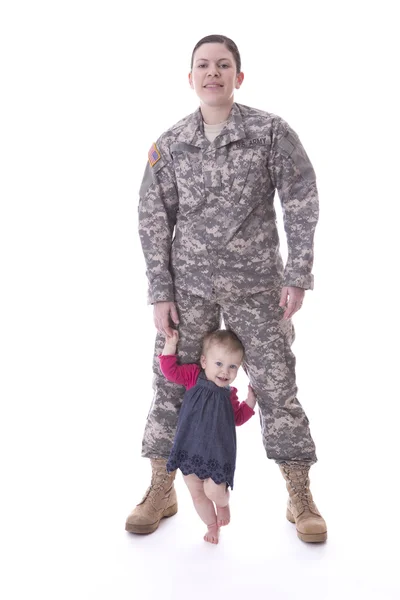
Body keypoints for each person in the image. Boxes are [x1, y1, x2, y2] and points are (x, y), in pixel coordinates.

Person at [125, 34, 327, 543]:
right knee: (171, 386)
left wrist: (297, 273)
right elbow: (153, 219)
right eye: (202, 66)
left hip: (257, 287)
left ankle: (299, 494)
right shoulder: (169, 146)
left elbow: (301, 199)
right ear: (189, 78)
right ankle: (160, 487)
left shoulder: (270, 133)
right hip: (188, 289)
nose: (212, 73)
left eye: (223, 65)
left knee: (277, 386)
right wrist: (160, 291)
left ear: (238, 77)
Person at [160, 328, 256, 544]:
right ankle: (211, 526)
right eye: (219, 364)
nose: (225, 372)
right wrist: (170, 345)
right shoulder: (193, 376)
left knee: (213, 490)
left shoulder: (229, 395)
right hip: (189, 448)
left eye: (233, 367)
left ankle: (223, 503)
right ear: (204, 361)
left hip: (217, 453)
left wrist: (250, 401)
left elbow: (238, 418)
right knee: (197, 493)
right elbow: (169, 371)